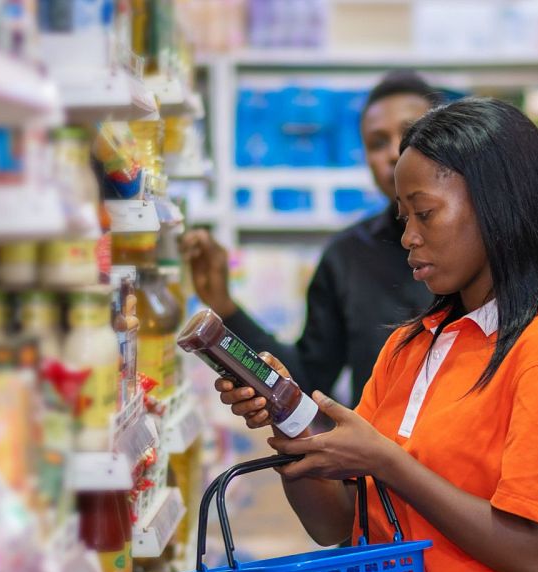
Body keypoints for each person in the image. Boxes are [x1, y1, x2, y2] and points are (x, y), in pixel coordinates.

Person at [214, 98, 538, 572]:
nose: (408, 237)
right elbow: (335, 524)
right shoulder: (409, 347)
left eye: (426, 214)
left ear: (498, 207)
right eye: (403, 217)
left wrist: (390, 462)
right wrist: (286, 416)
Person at [181, 70, 438, 407]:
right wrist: (225, 306)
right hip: (381, 456)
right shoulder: (347, 256)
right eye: (377, 142)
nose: (393, 153)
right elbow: (307, 377)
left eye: (408, 134)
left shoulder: (484, 245)